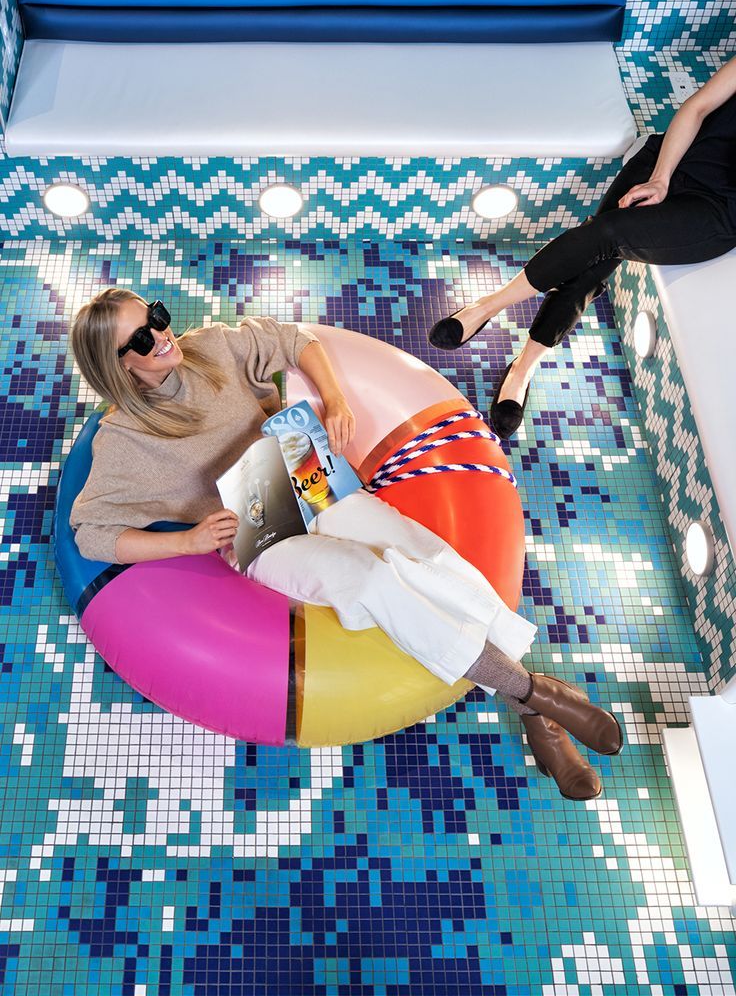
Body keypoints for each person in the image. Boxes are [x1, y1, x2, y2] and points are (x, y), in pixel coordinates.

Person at [69, 288, 623, 801]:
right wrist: (189, 539)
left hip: (311, 481)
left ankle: (534, 710)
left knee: (422, 553)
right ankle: (535, 696)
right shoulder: (126, 442)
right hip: (262, 532)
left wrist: (333, 400)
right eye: (141, 339)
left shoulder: (209, 348)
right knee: (371, 579)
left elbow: (295, 340)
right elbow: (91, 534)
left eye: (156, 318)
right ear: (117, 366)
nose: (162, 336)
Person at [429, 56, 736, 438]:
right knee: (592, 256)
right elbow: (699, 106)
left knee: (605, 237)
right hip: (672, 158)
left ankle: (516, 357)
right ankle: (490, 317)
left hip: (714, 211)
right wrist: (660, 179)